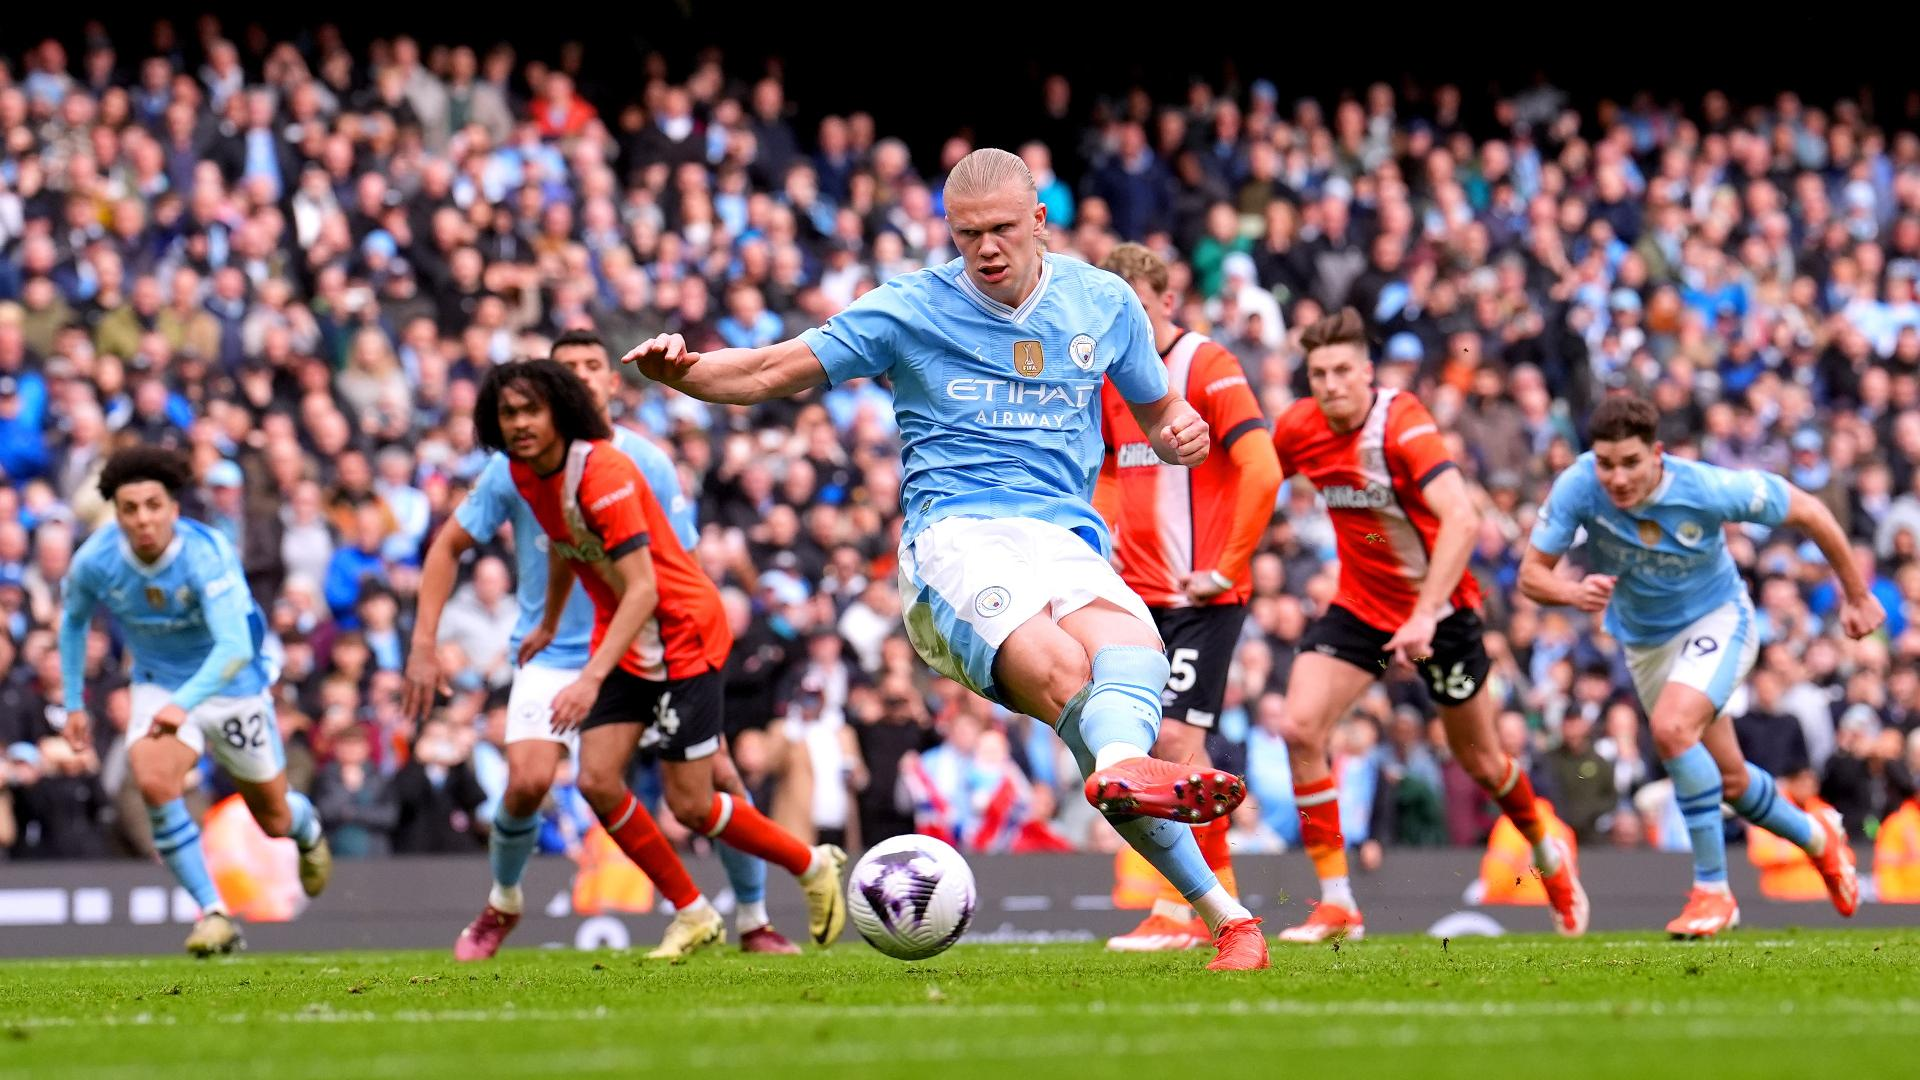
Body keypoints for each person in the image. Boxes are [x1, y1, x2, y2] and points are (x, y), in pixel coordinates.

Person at [626, 147, 1267, 970]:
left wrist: (1180, 434)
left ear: (1040, 221)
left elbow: (1162, 413)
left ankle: (1225, 912)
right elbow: (767, 370)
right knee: (1066, 675)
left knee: (1132, 659)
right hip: (956, 543)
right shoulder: (909, 309)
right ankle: (1128, 777)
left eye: (1002, 229)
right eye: (968, 235)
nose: (987, 248)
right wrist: (684, 374)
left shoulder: (1103, 302)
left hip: (1065, 539)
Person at [409, 331, 801, 959]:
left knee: (716, 776)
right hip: (559, 653)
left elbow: (681, 567)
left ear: (612, 383)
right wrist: (423, 643)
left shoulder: (642, 460)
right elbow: (453, 546)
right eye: (568, 370)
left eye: (594, 366)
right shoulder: (513, 464)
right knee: (528, 782)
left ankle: (754, 920)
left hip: (651, 647)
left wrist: (697, 664)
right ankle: (503, 903)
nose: (583, 378)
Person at [1266, 308, 1587, 943]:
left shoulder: (1402, 423)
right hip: (1360, 605)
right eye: (1317, 373)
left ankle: (1548, 857)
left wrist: (1422, 614)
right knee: (1300, 727)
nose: (1329, 384)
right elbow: (1253, 480)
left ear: (1367, 373)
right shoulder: (1299, 427)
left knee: (1483, 762)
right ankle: (1338, 905)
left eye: (1341, 371)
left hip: (1441, 612)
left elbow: (1463, 521)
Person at [1520, 395, 1869, 938]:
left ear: (1657, 455)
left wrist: (1855, 595)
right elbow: (1530, 575)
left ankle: (1713, 891)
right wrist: (1570, 591)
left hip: (1719, 620)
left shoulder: (1706, 487)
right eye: (1606, 464)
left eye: (1630, 463)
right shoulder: (1577, 486)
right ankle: (1819, 838)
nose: (1616, 477)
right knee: (1729, 781)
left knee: (1671, 729)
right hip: (1646, 645)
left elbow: (1810, 511)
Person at [58, 447, 331, 955]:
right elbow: (73, 621)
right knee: (155, 781)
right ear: (116, 513)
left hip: (230, 685)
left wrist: (184, 703)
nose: (142, 518)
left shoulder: (206, 555)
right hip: (159, 680)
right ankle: (214, 913)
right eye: (129, 508)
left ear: (174, 508)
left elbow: (233, 647)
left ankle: (307, 828)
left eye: (152, 505)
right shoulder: (96, 559)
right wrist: (74, 702)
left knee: (271, 817)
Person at [1093, 243, 1282, 952]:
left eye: (1137, 308)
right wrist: (1096, 534)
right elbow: (1113, 469)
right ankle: (1220, 911)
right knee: (1152, 745)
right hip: (1139, 597)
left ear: (1167, 302)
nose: (1126, 325)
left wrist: (1225, 565)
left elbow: (1262, 470)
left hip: (1204, 594)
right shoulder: (1112, 379)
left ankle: (1180, 913)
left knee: (1174, 741)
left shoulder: (1209, 365)